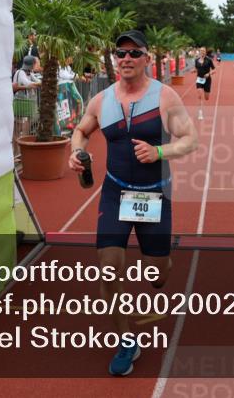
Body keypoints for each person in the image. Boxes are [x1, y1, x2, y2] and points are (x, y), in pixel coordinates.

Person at [67, 29, 197, 377]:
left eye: (134, 53)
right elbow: (81, 130)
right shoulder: (102, 100)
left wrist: (159, 151)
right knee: (108, 266)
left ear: (145, 59)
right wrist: (76, 152)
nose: (126, 59)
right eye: (120, 53)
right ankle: (127, 341)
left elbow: (190, 140)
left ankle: (163, 261)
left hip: (154, 192)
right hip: (115, 191)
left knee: (157, 275)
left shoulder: (165, 97)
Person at [193, 46, 216, 120]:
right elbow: (196, 68)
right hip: (199, 79)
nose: (202, 52)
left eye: (203, 51)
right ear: (199, 52)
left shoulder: (209, 60)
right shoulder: (196, 60)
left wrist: (209, 74)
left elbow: (214, 70)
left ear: (205, 52)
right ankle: (200, 113)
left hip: (207, 80)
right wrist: (194, 70)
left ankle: (206, 94)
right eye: (201, 51)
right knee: (199, 95)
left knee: (206, 98)